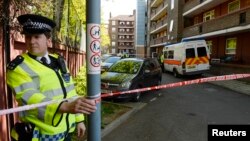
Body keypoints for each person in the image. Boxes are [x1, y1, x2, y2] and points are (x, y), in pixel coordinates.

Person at [7, 14, 97, 141]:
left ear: (48, 40)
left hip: (66, 133)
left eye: (37, 37)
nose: (31, 41)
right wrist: (64, 107)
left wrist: (79, 120)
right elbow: (30, 97)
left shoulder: (59, 61)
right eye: (28, 37)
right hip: (41, 136)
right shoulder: (18, 67)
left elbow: (71, 92)